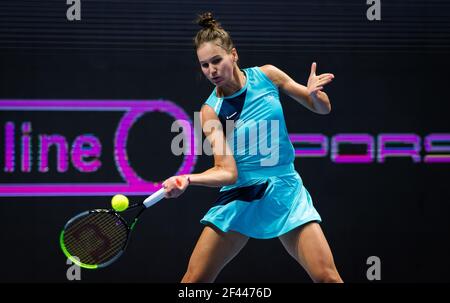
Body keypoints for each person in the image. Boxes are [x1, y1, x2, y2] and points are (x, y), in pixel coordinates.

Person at [162, 12, 343, 283]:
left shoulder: (268, 76)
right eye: (204, 65)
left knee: (328, 278)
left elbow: (322, 108)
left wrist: (315, 95)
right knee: (193, 282)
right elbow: (227, 172)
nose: (211, 70)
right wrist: (188, 178)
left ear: (233, 55)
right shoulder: (211, 111)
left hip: (285, 189)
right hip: (241, 193)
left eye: (216, 60)